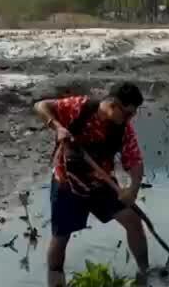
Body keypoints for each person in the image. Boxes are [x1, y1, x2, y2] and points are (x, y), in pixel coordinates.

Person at [34, 83, 148, 275]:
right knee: (60, 238)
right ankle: (56, 285)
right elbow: (41, 106)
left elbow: (135, 162)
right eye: (127, 114)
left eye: (133, 115)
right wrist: (58, 127)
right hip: (67, 183)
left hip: (100, 184)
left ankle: (145, 272)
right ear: (113, 105)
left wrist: (133, 191)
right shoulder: (79, 108)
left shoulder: (123, 129)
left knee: (133, 222)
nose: (129, 119)